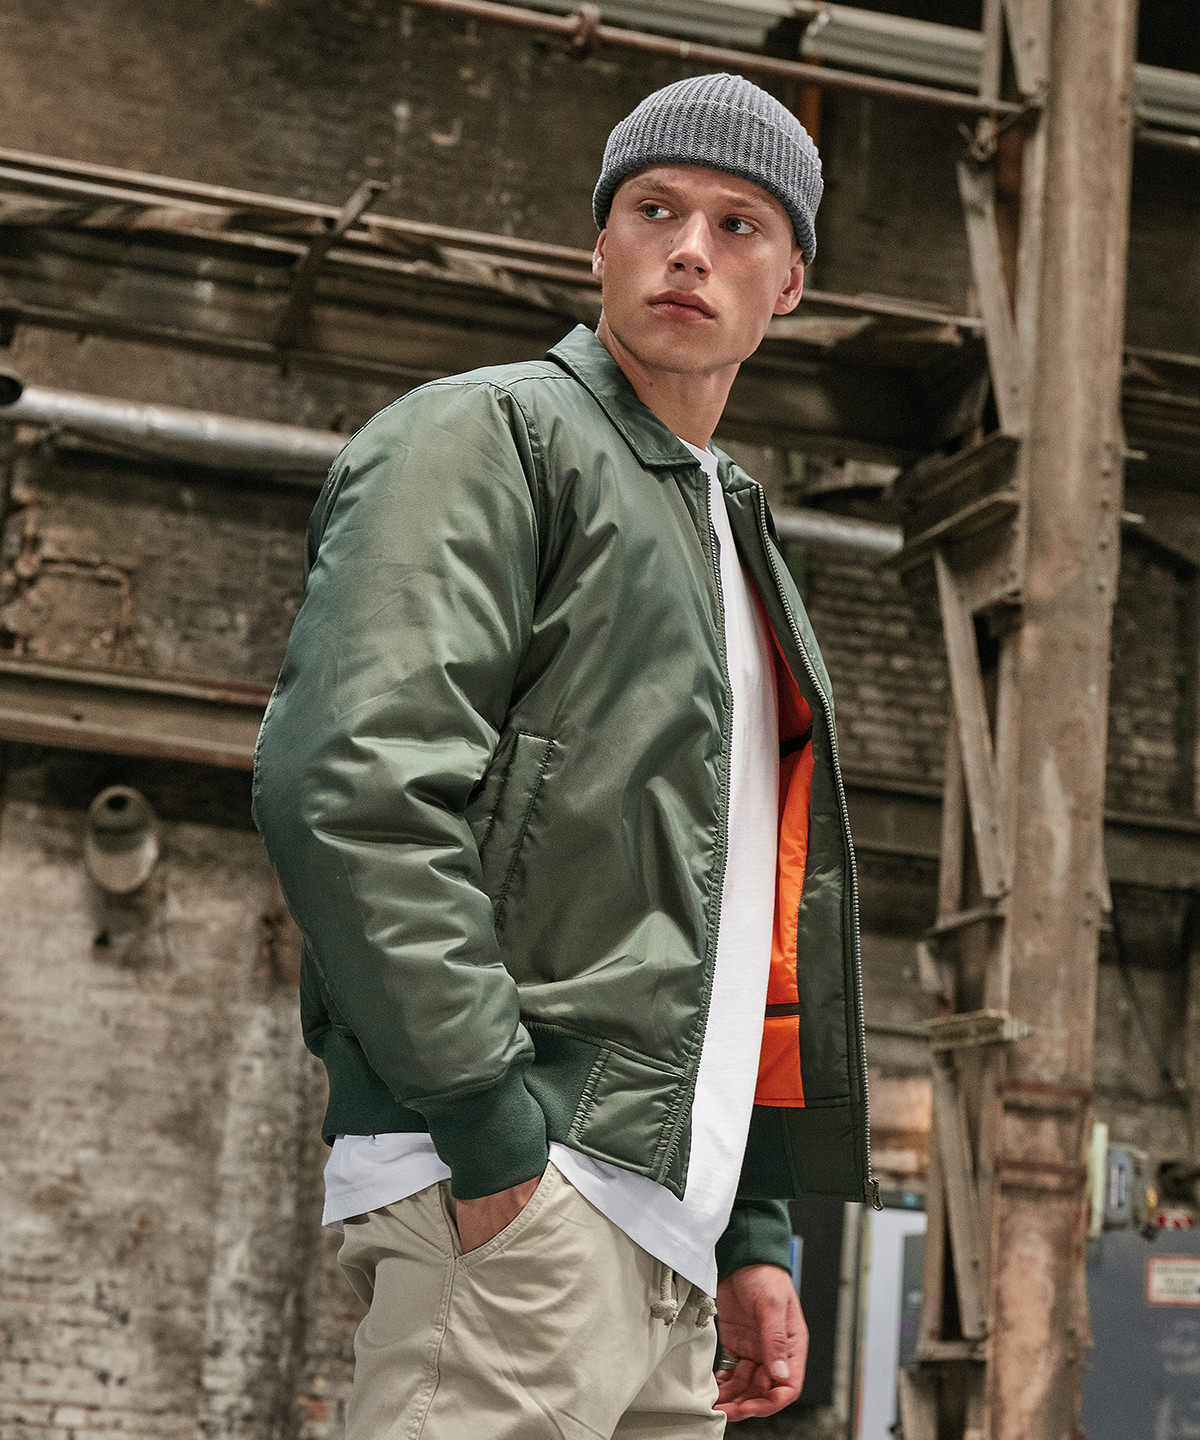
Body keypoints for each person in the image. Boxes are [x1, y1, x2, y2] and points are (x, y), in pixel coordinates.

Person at [253, 71, 875, 1439]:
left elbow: (744, 910)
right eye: (655, 209)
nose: (691, 249)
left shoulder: (730, 529)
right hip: (524, 1186)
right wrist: (489, 1123)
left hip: (665, 1235)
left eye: (739, 224)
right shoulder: (487, 436)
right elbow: (350, 786)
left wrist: (750, 1225)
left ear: (790, 286)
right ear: (600, 244)